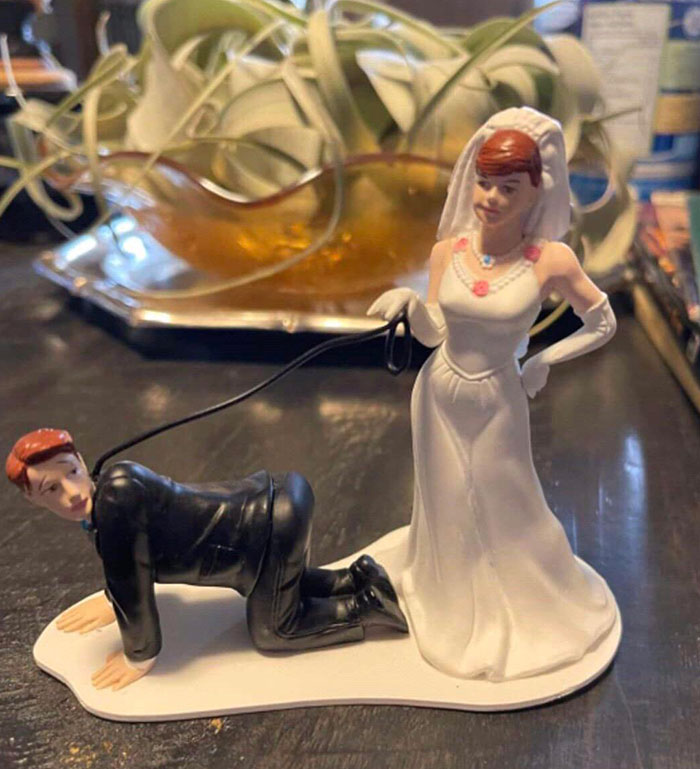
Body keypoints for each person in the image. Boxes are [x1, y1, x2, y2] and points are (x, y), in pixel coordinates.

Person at [367, 107, 619, 681]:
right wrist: (411, 308)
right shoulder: (448, 253)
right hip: (439, 394)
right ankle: (453, 605)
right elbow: (436, 330)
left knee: (507, 502)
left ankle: (525, 604)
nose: (491, 198)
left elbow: (602, 323)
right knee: (448, 502)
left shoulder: (550, 260)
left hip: (498, 400)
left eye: (508, 187)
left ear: (536, 191)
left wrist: (544, 360)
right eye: (484, 183)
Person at [6, 428, 408, 690]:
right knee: (281, 586)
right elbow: (129, 567)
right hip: (276, 497)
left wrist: (138, 657)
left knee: (276, 631)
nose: (72, 493)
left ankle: (367, 605)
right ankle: (357, 576)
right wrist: (112, 599)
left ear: (80, 459)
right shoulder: (118, 480)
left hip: (264, 529)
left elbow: (133, 588)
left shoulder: (115, 508)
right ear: (32, 499)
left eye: (71, 472)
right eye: (51, 490)